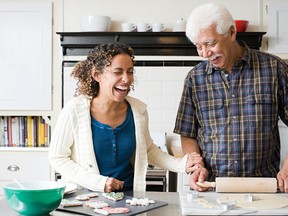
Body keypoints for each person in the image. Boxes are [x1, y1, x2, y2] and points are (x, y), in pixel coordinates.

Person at [49, 42, 203, 193]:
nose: (127, 79)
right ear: (97, 75)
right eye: (118, 72)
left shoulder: (138, 111)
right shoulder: (74, 110)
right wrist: (99, 183)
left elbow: (147, 149)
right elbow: (58, 158)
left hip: (127, 198)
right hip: (86, 200)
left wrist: (181, 165)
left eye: (130, 71)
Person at [174, 3, 288, 193]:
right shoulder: (195, 79)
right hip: (212, 188)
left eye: (210, 43)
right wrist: (196, 164)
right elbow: (187, 133)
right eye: (198, 46)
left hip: (264, 188)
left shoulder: (274, 69)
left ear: (232, 32)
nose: (204, 53)